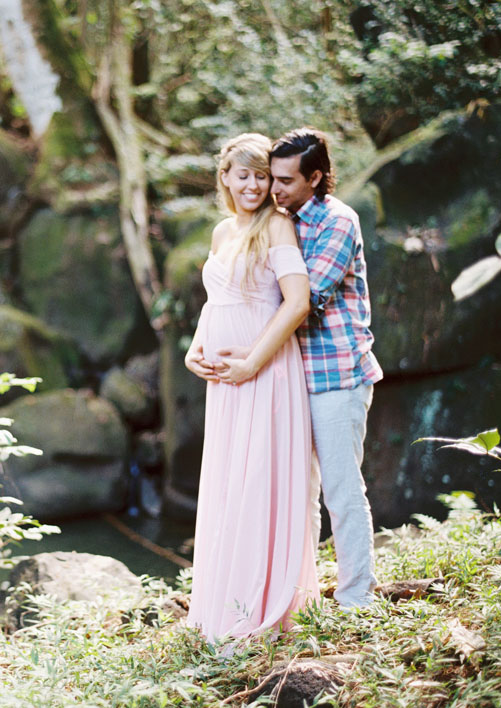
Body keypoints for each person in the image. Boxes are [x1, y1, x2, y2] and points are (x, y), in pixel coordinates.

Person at [184, 133, 320, 642]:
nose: (254, 185)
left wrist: (253, 362)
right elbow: (214, 301)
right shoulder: (222, 232)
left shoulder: (278, 225)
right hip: (225, 382)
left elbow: (297, 302)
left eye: (262, 175)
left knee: (259, 479)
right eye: (243, 174)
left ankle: (260, 606)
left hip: (266, 373)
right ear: (225, 177)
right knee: (228, 482)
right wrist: (194, 348)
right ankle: (222, 605)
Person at [268, 127, 384, 608]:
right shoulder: (280, 220)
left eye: (286, 181)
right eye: (272, 179)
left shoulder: (338, 221)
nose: (275, 189)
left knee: (340, 488)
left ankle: (357, 597)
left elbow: (305, 300)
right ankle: (304, 598)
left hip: (338, 376)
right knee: (299, 493)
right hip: (293, 378)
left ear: (315, 177)